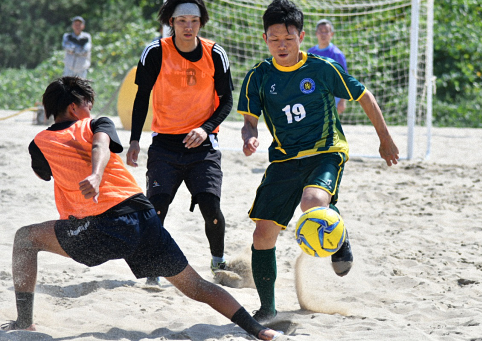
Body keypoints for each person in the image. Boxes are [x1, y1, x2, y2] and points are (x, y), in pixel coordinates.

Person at [0, 77, 280, 340]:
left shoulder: (40, 143)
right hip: (143, 217)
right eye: (88, 104)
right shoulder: (98, 123)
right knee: (195, 286)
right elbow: (100, 144)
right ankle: (257, 329)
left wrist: (95, 175)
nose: (91, 109)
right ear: (74, 107)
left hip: (100, 226)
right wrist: (94, 173)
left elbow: (54, 169)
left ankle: (25, 321)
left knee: (25, 239)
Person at [238, 0, 399, 323]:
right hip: (284, 161)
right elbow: (249, 121)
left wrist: (385, 138)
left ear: (301, 36)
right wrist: (249, 136)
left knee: (312, 202)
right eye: (274, 38)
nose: (282, 45)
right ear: (265, 39)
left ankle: (338, 237)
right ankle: (267, 309)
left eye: (289, 38)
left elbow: (365, 96)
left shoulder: (322, 68)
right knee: (262, 234)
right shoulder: (258, 76)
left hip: (326, 152)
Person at [126, 0, 232, 283]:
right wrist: (134, 140)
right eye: (182, 20)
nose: (188, 26)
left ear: (201, 23)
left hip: (203, 145)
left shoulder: (215, 54)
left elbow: (226, 101)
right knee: (157, 208)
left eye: (194, 21)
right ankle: (153, 268)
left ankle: (218, 262)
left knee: (211, 207)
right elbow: (141, 97)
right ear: (171, 22)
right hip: (165, 144)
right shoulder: (155, 52)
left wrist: (205, 128)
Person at [307, 19, 348, 115]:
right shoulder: (310, 53)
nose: (323, 34)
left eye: (326, 31)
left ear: (331, 34)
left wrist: (343, 101)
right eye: (321, 31)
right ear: (316, 33)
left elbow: (344, 78)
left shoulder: (337, 54)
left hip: (333, 98)